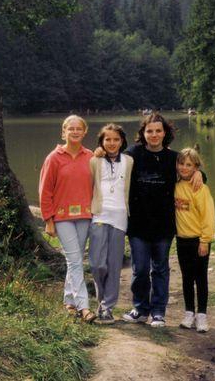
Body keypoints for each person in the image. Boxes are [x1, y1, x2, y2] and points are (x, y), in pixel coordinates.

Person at [121, 113, 203, 327]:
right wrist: (101, 151)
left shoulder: (172, 158)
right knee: (139, 270)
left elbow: (190, 169)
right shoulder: (132, 154)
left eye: (158, 131)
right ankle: (140, 309)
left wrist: (200, 174)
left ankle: (158, 312)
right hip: (138, 225)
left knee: (160, 269)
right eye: (150, 131)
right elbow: (110, 162)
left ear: (165, 133)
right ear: (143, 133)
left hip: (164, 226)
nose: (154, 134)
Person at [39, 115, 96, 323]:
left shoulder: (90, 156)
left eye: (78, 128)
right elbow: (45, 191)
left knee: (75, 260)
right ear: (63, 132)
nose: (74, 132)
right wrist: (48, 219)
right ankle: (84, 307)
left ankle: (69, 301)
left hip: (85, 216)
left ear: (84, 131)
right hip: (62, 218)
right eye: (70, 129)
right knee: (74, 260)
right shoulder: (53, 158)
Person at [88, 124, 133, 324]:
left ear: (122, 141)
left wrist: (199, 175)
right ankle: (101, 300)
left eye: (116, 139)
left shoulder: (130, 161)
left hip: (120, 218)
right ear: (101, 142)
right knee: (97, 264)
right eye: (108, 140)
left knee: (114, 265)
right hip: (98, 215)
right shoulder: (94, 161)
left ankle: (107, 307)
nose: (112, 143)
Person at [174, 148, 215, 333]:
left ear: (196, 167)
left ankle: (202, 315)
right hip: (182, 240)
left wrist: (205, 240)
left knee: (201, 278)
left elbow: (208, 216)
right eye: (181, 164)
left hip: (199, 240)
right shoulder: (174, 186)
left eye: (189, 165)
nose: (184, 167)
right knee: (186, 278)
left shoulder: (201, 188)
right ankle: (189, 312)